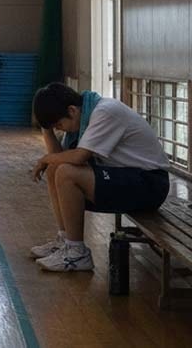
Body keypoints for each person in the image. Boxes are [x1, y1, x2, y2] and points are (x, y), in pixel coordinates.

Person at [30, 82, 170, 272]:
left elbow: (78, 157)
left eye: (59, 125)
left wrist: (46, 158)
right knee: (57, 168)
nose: (61, 130)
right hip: (129, 178)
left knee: (66, 172)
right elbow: (58, 157)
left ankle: (77, 252)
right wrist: (46, 128)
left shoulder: (105, 112)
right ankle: (65, 241)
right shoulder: (84, 118)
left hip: (150, 184)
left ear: (72, 110)